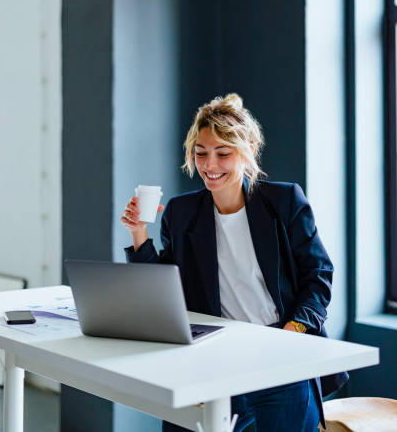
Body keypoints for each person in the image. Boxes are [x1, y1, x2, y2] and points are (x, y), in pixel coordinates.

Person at [121, 93, 346, 431]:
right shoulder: (183, 214)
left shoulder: (284, 202)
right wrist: (139, 234)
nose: (210, 166)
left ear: (248, 152)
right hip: (214, 359)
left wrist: (291, 332)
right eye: (200, 153)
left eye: (223, 153)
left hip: (280, 354)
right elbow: (163, 295)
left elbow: (318, 276)